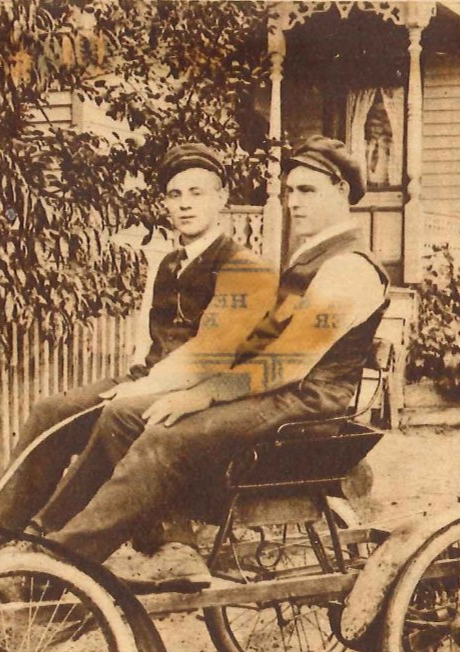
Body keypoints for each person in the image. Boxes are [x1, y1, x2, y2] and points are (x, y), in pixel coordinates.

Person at [32, 135, 390, 573]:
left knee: (169, 433)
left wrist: (205, 394)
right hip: (278, 393)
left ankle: (64, 561)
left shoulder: (348, 267)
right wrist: (196, 383)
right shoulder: (307, 259)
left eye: (307, 190)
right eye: (289, 190)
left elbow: (290, 362)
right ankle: (55, 532)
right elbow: (262, 346)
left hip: (308, 405)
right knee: (126, 413)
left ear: (342, 191)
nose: (294, 202)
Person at [0, 143, 276, 556]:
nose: (185, 205)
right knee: (50, 411)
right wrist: (134, 376)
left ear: (222, 199)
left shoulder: (244, 266)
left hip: (203, 394)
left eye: (197, 193)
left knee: (115, 413)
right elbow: (152, 340)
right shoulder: (168, 264)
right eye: (175, 195)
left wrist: (137, 389)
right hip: (152, 378)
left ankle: (45, 535)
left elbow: (210, 353)